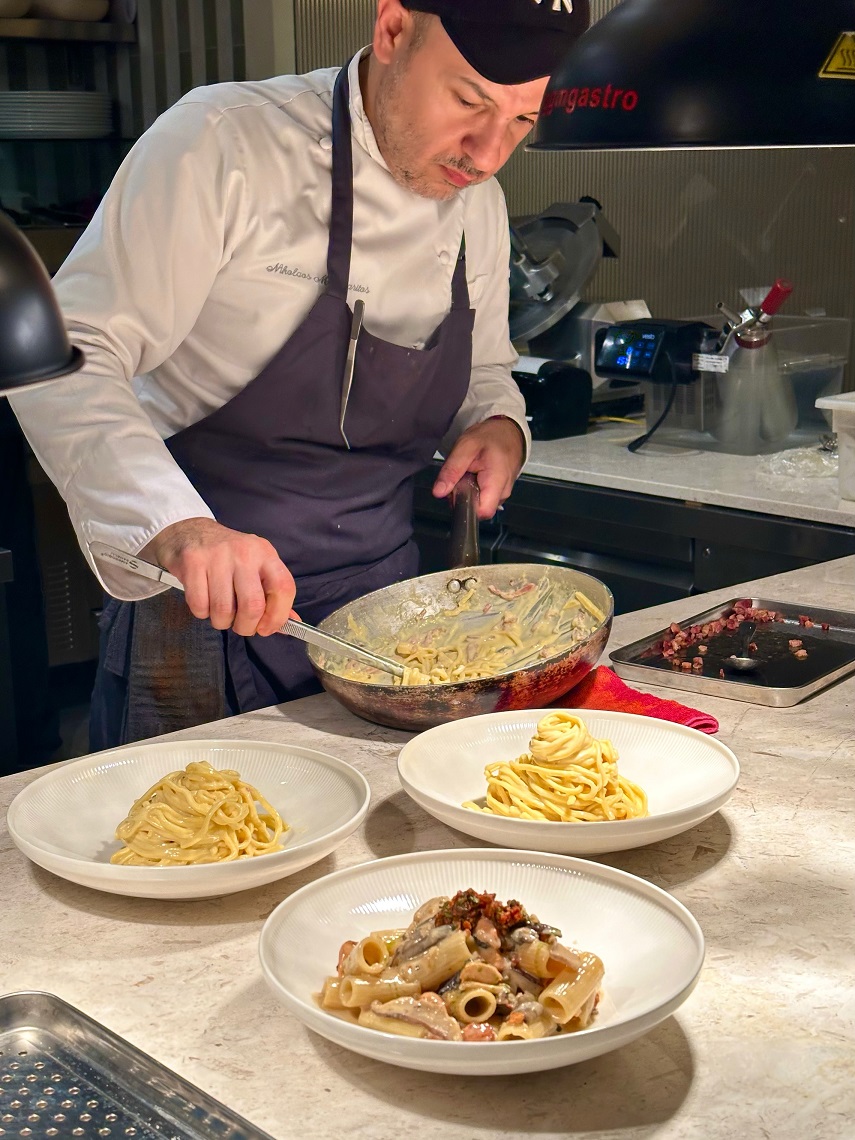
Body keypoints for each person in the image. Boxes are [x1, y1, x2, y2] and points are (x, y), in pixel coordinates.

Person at [9, 0, 591, 749]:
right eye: (467, 101)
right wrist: (177, 527)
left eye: (521, 121)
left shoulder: (475, 200)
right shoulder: (223, 142)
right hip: (202, 623)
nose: (486, 155)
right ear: (392, 29)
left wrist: (498, 422)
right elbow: (72, 350)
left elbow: (483, 365)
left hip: (394, 631)